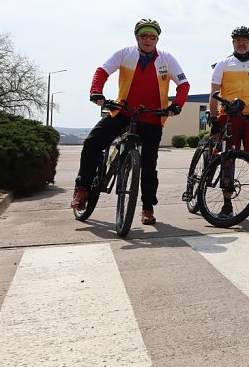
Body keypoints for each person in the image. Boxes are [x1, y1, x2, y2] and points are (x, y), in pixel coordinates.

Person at [71, 19, 189, 225]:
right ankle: (83, 188)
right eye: (143, 35)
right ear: (137, 37)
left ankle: (147, 208)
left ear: (157, 39)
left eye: (152, 36)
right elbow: (102, 71)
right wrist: (96, 91)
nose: (148, 40)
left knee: (149, 165)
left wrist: (176, 105)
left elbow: (184, 85)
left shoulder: (167, 59)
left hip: (152, 116)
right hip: (123, 111)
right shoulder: (125, 53)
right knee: (92, 142)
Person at [209, 26, 249, 217]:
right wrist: (213, 118)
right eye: (238, 40)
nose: (242, 44)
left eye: (245, 41)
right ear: (233, 43)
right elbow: (213, 94)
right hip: (228, 117)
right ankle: (227, 204)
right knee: (228, 160)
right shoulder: (224, 64)